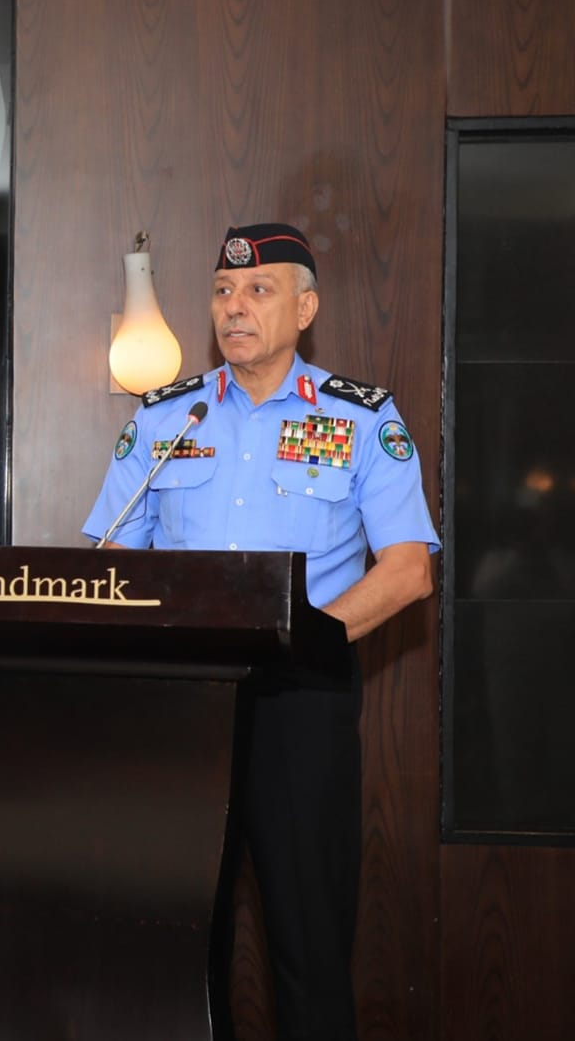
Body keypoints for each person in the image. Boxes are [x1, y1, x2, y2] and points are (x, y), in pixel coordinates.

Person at [81, 223, 437, 1041]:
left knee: (309, 952)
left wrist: (302, 636)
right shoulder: (169, 417)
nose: (234, 306)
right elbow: (110, 561)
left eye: (258, 290)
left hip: (300, 703)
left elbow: (408, 570)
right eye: (222, 291)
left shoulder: (360, 418)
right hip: (182, 708)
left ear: (306, 308)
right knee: (177, 946)